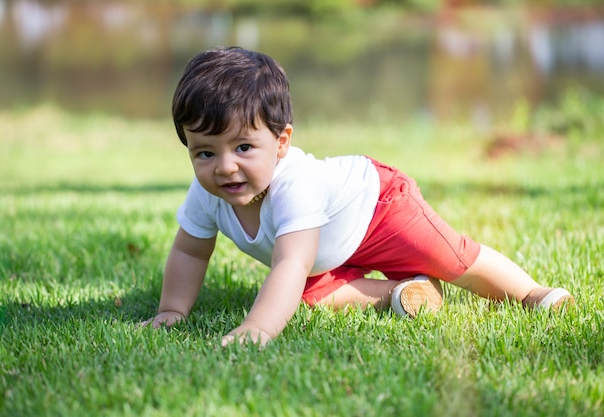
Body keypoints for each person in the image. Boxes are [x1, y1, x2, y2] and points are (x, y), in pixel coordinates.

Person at [143, 46, 574, 346]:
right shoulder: (207, 194)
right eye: (204, 151)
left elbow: (291, 261)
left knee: (450, 258)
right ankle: (399, 293)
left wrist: (258, 327)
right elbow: (190, 253)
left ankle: (529, 293)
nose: (224, 166)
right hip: (328, 249)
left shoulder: (296, 185)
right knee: (306, 296)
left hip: (379, 208)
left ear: (281, 142)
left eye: (243, 147)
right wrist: (172, 310)